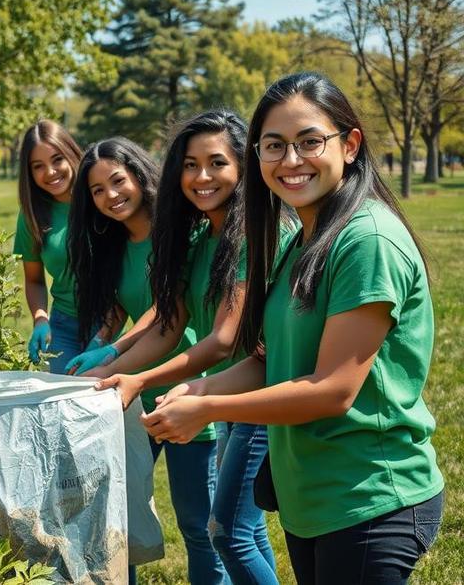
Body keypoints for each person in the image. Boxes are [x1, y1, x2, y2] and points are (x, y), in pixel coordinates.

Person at [143, 73, 443, 585]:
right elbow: (269, 358)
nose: (290, 160)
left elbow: (332, 390)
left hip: (370, 497)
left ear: (350, 145)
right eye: (274, 145)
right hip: (313, 501)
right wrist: (200, 389)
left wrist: (209, 409)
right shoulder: (302, 238)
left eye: (309, 142)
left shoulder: (367, 240)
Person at [92, 111, 277, 583]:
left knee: (229, 531)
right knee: (243, 530)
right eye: (191, 165)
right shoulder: (198, 237)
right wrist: (108, 369)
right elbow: (168, 325)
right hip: (231, 397)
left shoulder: (252, 234)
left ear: (244, 165)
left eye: (217, 163)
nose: (202, 176)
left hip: (262, 393)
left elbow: (223, 341)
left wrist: (142, 380)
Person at [65, 137, 228, 584]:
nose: (111, 195)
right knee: (119, 512)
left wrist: (114, 355)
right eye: (98, 190)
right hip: (132, 393)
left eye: (118, 181)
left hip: (186, 385)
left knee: (200, 524)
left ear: (139, 174)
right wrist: (102, 339)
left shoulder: (179, 231)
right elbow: (120, 303)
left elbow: (163, 311)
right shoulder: (112, 242)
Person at [12, 119, 87, 370]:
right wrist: (40, 318)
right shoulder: (32, 215)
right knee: (64, 392)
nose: (51, 172)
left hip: (115, 323)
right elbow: (34, 280)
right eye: (38, 166)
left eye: (57, 159)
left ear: (71, 154)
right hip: (64, 325)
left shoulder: (100, 198)